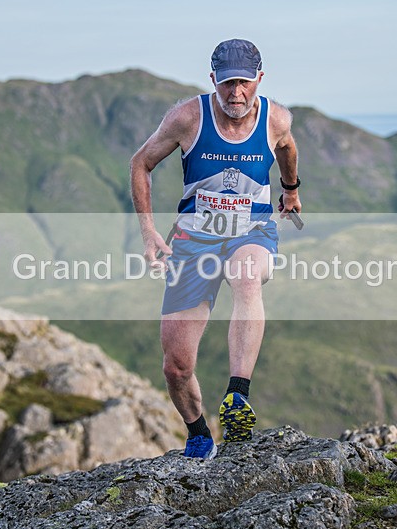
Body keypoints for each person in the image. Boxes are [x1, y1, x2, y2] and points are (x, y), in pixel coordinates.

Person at [130, 38, 301, 459]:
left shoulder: (275, 119)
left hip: (252, 229)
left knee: (246, 276)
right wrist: (149, 231)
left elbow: (287, 148)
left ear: (260, 79)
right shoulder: (188, 118)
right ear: (213, 81)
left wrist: (291, 190)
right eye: (227, 84)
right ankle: (199, 434)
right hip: (194, 238)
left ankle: (237, 396)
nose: (236, 94)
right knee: (176, 365)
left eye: (244, 83)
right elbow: (141, 163)